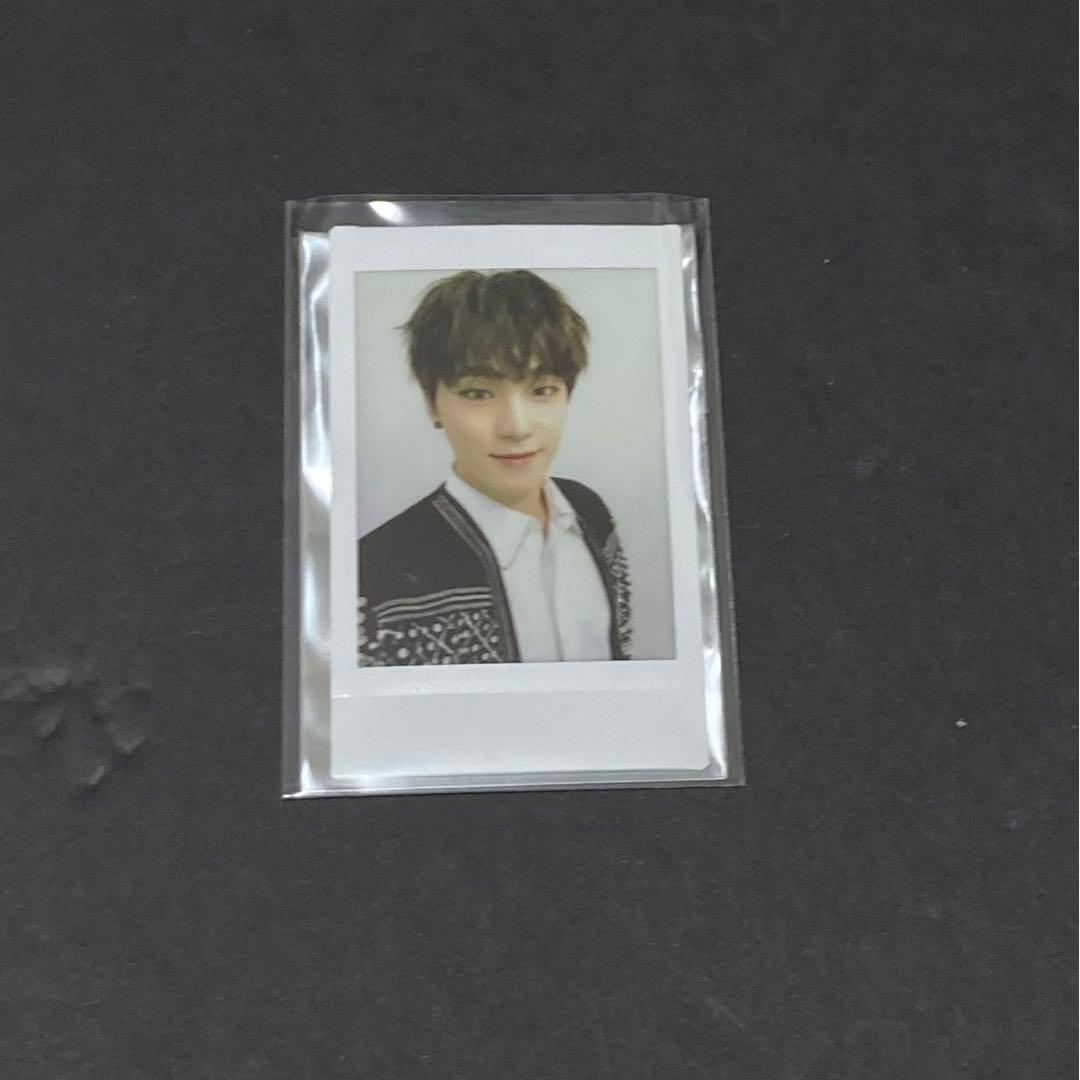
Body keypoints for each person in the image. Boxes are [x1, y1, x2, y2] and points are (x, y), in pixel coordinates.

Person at [357, 269, 631, 666]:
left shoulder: (590, 512)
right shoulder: (379, 568)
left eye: (542, 391)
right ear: (432, 404)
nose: (516, 428)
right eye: (478, 393)